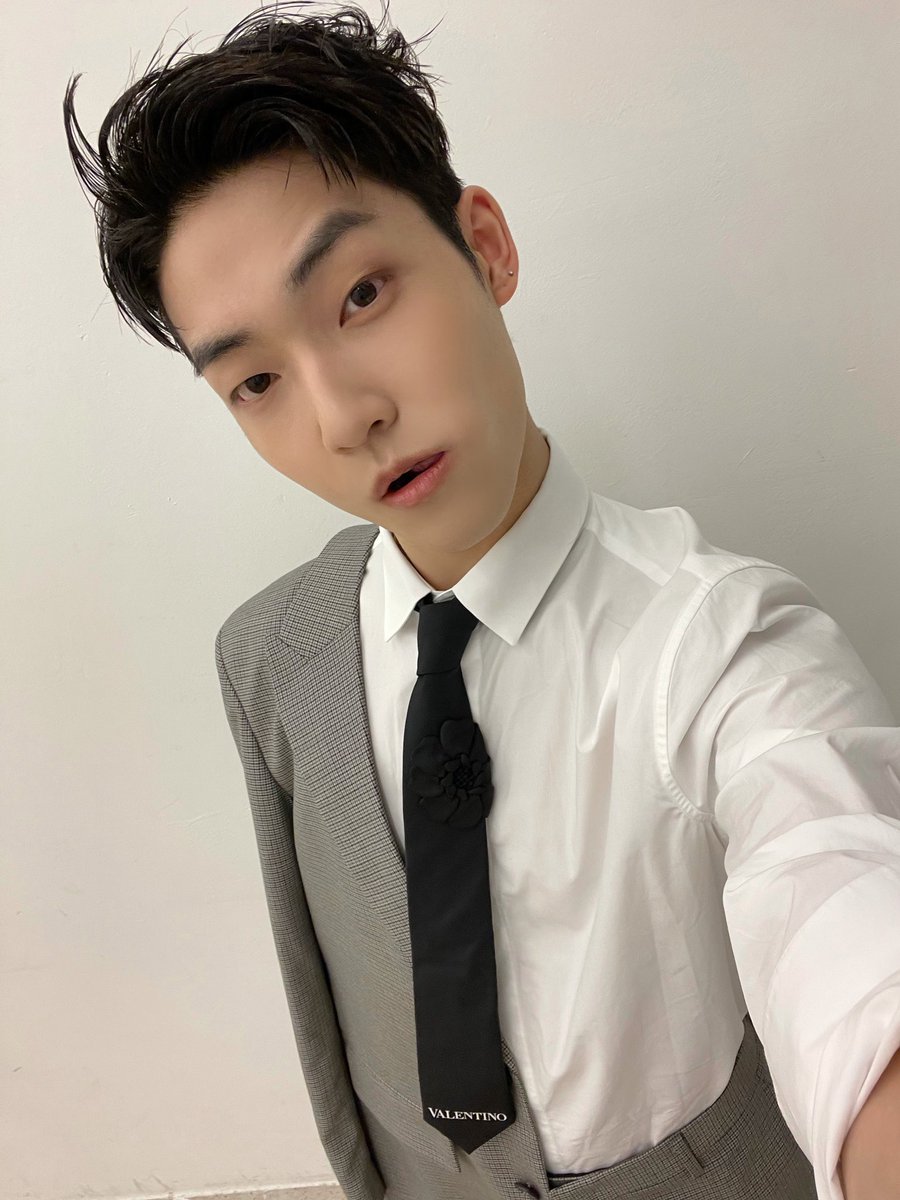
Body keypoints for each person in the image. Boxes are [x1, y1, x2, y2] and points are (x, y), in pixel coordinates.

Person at [62, 4, 900, 1199]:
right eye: (254, 380)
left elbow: (843, 904)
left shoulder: (721, 645)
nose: (343, 415)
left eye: (361, 295)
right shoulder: (269, 657)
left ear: (486, 249)